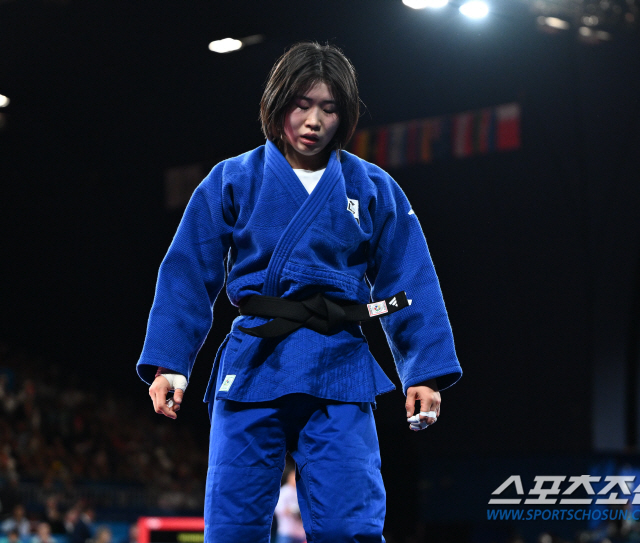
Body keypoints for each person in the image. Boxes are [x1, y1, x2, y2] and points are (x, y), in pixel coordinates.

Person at [137, 41, 462, 542]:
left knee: (348, 526)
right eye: (301, 104)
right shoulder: (233, 179)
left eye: (329, 109)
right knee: (232, 528)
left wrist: (424, 371)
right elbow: (187, 271)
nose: (314, 121)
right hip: (253, 361)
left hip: (339, 360)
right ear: (276, 105)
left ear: (345, 116)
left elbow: (408, 277)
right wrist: (171, 362)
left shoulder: (371, 186)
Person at [274, 463, 306, 543]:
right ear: (289, 477)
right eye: (293, 476)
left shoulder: (302, 492)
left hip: (300, 533)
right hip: (286, 532)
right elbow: (279, 509)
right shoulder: (284, 491)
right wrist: (294, 510)